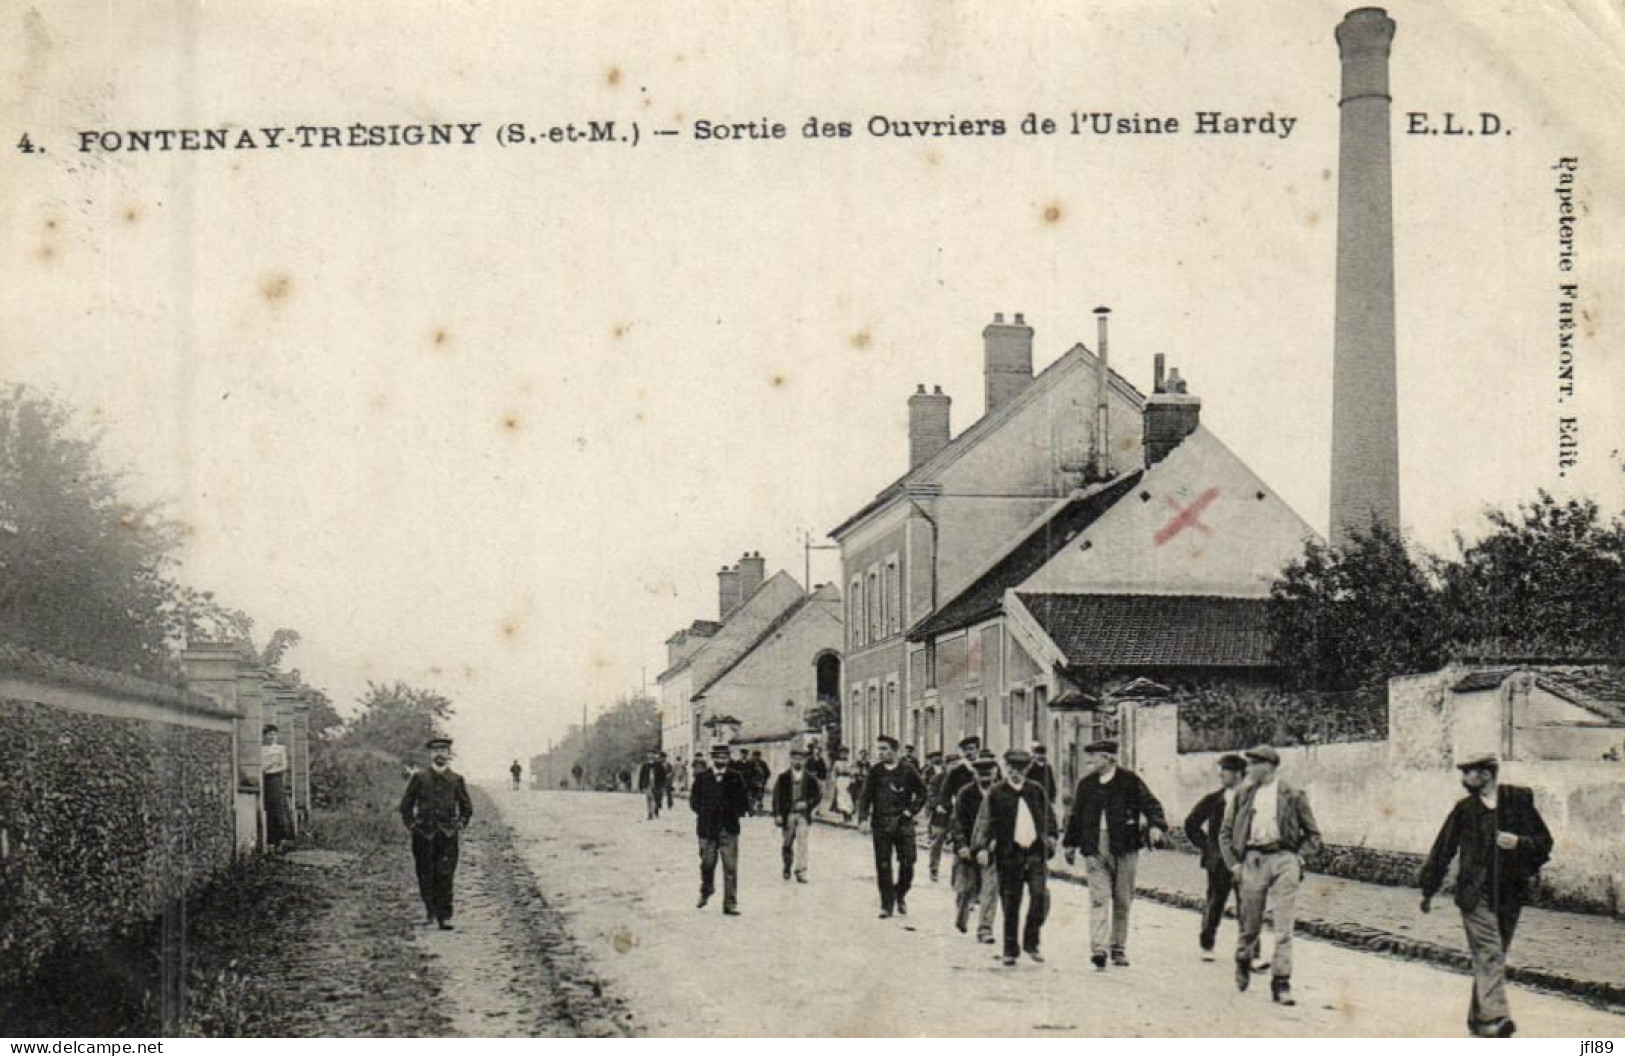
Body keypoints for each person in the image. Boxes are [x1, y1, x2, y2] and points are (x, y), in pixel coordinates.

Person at [1418, 753, 1553, 1038]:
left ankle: (1479, 1020)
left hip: (1509, 892)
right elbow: (1443, 849)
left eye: (1468, 773)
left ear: (1486, 775)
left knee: (1491, 954)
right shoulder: (1464, 810)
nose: (1463, 779)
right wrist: (1428, 888)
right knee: (1490, 951)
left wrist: (1519, 842)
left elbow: (1544, 843)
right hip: (1474, 893)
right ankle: (1496, 1018)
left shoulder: (1517, 803)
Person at [1219, 745, 1322, 1007]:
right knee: (1250, 924)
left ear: (1269, 765)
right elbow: (1225, 833)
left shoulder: (1293, 794)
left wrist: (1299, 858)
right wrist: (1235, 865)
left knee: (1283, 927)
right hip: (1252, 860)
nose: (1249, 769)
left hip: (1284, 858)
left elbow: (1313, 834)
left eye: (1254, 764)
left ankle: (1281, 982)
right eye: (1249, 764)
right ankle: (1243, 958)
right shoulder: (1243, 794)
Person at [1062, 739, 1168, 970]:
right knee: (1099, 898)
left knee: (1122, 898)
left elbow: (1152, 805)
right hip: (1094, 846)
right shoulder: (1086, 785)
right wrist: (1069, 843)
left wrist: (1156, 826)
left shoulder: (1129, 781)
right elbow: (1076, 816)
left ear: (1109, 758)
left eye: (1094, 756)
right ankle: (1099, 949)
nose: (1089, 761)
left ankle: (1118, 948)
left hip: (1125, 846)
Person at [972, 746, 1057, 966]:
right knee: (1011, 902)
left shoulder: (1036, 790)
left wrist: (1051, 839)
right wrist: (981, 847)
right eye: (1011, 767)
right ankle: (1010, 950)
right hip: (1009, 854)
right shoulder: (996, 792)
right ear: (1005, 767)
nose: (1015, 772)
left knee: (1040, 897)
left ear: (1027, 769)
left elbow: (1049, 817)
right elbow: (984, 821)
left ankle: (1031, 942)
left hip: (1035, 852)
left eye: (1020, 768)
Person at [399, 736, 474, 930]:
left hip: (448, 835)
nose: (440, 754)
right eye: (436, 751)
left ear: (449, 755)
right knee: (425, 873)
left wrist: (460, 824)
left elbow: (466, 808)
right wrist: (412, 825)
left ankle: (444, 916)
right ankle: (430, 912)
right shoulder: (419, 778)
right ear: (430, 754)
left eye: (443, 751)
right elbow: (406, 805)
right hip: (423, 835)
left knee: (446, 874)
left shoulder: (456, 780)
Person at [1183, 754, 1247, 959]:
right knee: (1215, 903)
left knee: (1248, 906)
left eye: (1225, 770)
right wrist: (1208, 847)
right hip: (1219, 861)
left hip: (1246, 861)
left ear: (1238, 773)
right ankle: (1207, 945)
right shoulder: (1214, 799)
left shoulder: (1252, 799)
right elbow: (1191, 824)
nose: (1221, 774)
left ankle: (1250, 951)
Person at [856, 734, 928, 918]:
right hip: (881, 823)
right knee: (883, 864)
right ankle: (886, 905)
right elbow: (865, 797)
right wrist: (863, 818)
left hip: (903, 823)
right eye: (879, 749)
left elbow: (922, 793)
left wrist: (910, 811)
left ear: (895, 751)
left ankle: (900, 893)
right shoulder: (876, 771)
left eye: (884, 749)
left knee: (908, 862)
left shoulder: (908, 770)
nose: (880, 753)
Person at [691, 742, 749, 915]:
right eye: (718, 757)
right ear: (712, 758)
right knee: (707, 864)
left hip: (728, 829)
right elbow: (694, 802)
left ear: (728, 758)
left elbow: (744, 801)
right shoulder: (702, 778)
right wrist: (705, 812)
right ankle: (707, 889)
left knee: (730, 867)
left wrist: (734, 813)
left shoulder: (736, 777)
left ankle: (730, 903)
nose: (721, 760)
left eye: (724, 757)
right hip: (707, 829)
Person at [950, 749, 1001, 943]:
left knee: (990, 889)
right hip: (967, 849)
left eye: (988, 773)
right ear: (975, 775)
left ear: (995, 773)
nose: (985, 777)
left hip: (991, 849)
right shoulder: (966, 793)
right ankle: (962, 914)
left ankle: (985, 929)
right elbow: (957, 822)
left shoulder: (1001, 793)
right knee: (964, 889)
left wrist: (994, 843)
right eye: (981, 774)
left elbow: (1004, 821)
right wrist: (961, 845)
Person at [772, 746, 823, 882]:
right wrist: (777, 814)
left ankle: (801, 871)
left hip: (803, 816)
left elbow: (817, 795)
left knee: (802, 843)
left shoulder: (810, 779)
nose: (798, 761)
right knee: (787, 844)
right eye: (795, 758)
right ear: (791, 760)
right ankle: (787, 865)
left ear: (805, 760)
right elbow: (776, 797)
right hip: (788, 815)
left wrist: (808, 804)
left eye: (801, 759)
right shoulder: (783, 778)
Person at [261, 723, 295, 850]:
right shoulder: (261, 749)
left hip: (275, 780)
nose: (272, 737)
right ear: (264, 736)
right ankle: (270, 840)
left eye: (274, 734)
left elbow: (284, 766)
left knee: (278, 808)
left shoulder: (280, 749)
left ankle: (281, 839)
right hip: (264, 781)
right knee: (267, 808)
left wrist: (270, 770)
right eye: (269, 734)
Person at [925, 750, 952, 882]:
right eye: (951, 765)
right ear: (945, 765)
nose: (954, 767)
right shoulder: (938, 778)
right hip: (941, 816)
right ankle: (934, 868)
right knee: (937, 842)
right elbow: (930, 794)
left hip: (958, 816)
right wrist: (937, 806)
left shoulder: (961, 778)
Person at [637, 750, 667, 819]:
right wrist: (640, 785)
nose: (650, 756)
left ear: (654, 755)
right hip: (647, 784)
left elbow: (663, 775)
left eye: (652, 754)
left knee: (656, 798)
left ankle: (655, 809)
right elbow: (641, 775)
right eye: (649, 754)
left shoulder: (658, 764)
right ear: (647, 756)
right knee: (649, 798)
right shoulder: (645, 765)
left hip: (656, 784)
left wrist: (663, 784)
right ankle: (650, 813)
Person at [829, 748, 854, 821]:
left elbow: (852, 772)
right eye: (842, 753)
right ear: (840, 754)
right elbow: (833, 773)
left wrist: (852, 780)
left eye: (845, 753)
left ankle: (849, 813)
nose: (844, 755)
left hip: (848, 780)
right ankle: (845, 814)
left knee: (848, 797)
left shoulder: (850, 762)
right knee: (841, 798)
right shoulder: (837, 763)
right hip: (840, 780)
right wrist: (834, 781)